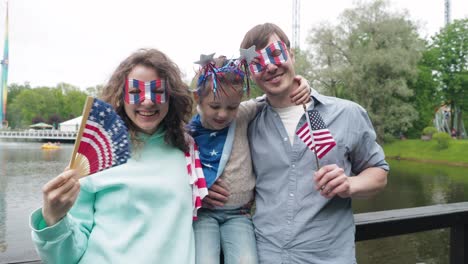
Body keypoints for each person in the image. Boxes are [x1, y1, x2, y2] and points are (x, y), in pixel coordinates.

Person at [207, 23, 389, 263]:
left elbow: (379, 173)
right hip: (265, 254)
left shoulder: (346, 114)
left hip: (328, 257)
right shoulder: (246, 120)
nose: (270, 66)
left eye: (275, 54)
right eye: (258, 63)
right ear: (251, 73)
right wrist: (201, 188)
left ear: (291, 55)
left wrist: (350, 184)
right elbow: (194, 135)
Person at [29, 48, 207, 264]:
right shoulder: (94, 155)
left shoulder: (188, 150)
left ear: (172, 97)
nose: (148, 101)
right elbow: (66, 257)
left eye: (158, 91)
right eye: (135, 92)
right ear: (121, 97)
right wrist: (53, 218)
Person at [188, 55, 311, 264]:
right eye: (215, 106)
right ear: (198, 98)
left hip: (239, 214)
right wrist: (196, 193)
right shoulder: (187, 132)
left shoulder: (242, 114)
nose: (223, 114)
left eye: (231, 106)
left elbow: (270, 98)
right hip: (204, 214)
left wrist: (300, 83)